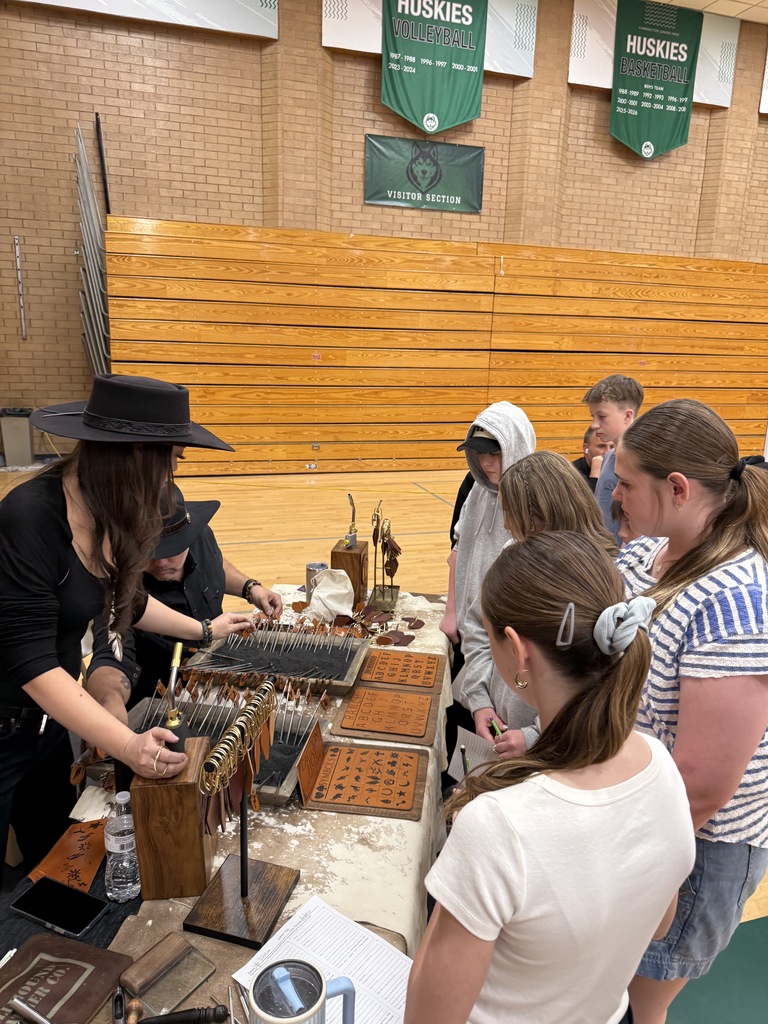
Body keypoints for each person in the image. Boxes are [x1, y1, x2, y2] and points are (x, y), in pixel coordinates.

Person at [405, 532, 695, 1024]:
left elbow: (430, 1017)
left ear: (518, 652)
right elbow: (658, 923)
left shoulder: (497, 825)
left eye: (491, 633)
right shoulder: (659, 766)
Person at [0, 374, 252, 872]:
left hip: (47, 721)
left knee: (53, 859)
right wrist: (128, 745)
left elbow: (125, 603)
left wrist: (204, 631)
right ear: (138, 455)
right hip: (8, 719)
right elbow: (31, 660)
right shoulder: (28, 517)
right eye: (172, 459)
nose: (172, 473)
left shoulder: (106, 512)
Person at [612, 399, 768, 1023]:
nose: (615, 496)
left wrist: (614, 850)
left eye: (625, 484)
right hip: (633, 817)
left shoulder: (737, 604)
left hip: (693, 847)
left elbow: (701, 785)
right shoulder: (642, 556)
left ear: (676, 489)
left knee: (637, 1007)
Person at [462, 450, 618, 757]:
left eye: (510, 513)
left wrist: (536, 735)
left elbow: (597, 682)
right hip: (502, 728)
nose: (506, 524)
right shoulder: (514, 552)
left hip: (556, 748)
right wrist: (480, 700)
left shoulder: (598, 577)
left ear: (539, 517)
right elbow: (479, 624)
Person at [87, 486, 282, 721]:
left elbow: (214, 565)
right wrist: (109, 709)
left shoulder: (200, 536)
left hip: (221, 686)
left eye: (173, 550)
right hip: (161, 707)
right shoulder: (120, 584)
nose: (161, 562)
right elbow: (109, 662)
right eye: (149, 552)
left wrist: (250, 588)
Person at [439, 403, 538, 751]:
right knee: (465, 726)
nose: (485, 463)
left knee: (499, 733)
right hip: (474, 636)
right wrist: (452, 611)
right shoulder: (477, 493)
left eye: (493, 454)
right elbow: (459, 546)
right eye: (478, 455)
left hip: (507, 655)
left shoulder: (529, 505)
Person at [583, 374, 644, 540]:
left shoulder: (642, 464)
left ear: (627, 416)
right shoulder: (608, 458)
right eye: (593, 417)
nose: (594, 425)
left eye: (601, 417)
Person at [571, 425, 613, 492]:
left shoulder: (616, 470)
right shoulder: (571, 474)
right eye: (601, 446)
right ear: (586, 448)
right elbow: (589, 502)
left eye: (612, 447)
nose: (608, 452)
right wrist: (595, 475)